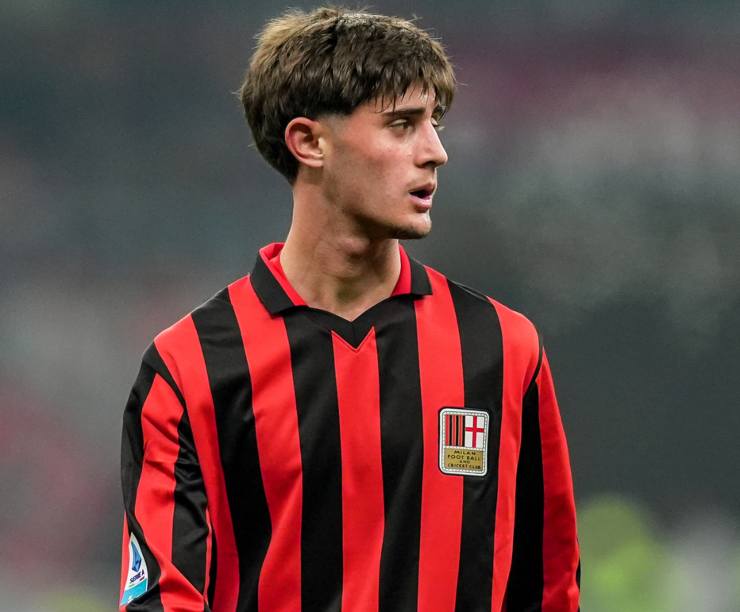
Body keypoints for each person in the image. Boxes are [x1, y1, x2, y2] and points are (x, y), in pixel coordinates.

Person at [119, 6, 580, 612]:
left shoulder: (502, 348)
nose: (436, 151)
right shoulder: (190, 368)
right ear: (309, 142)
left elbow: (549, 589)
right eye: (402, 125)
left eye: (435, 122)